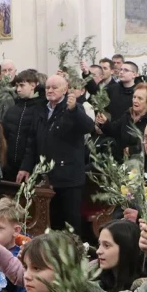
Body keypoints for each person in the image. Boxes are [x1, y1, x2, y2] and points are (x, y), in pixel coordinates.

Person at [19, 75, 92, 237]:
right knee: (53, 221)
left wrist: (73, 110)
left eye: (54, 87)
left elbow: (88, 126)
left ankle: (74, 255)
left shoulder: (73, 107)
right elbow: (32, 141)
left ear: (65, 90)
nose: (50, 90)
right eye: (48, 88)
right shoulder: (41, 109)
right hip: (47, 178)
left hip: (69, 178)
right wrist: (25, 167)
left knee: (70, 223)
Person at [0, 69, 44, 181]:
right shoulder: (12, 110)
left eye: (22, 85)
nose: (18, 89)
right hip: (9, 167)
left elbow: (35, 142)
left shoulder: (41, 109)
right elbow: (4, 137)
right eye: (16, 85)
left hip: (31, 168)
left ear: (33, 85)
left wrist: (28, 165)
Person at [96, 220, 142, 292]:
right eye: (99, 244)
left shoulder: (141, 289)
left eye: (106, 245)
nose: (98, 251)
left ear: (126, 249)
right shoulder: (95, 279)